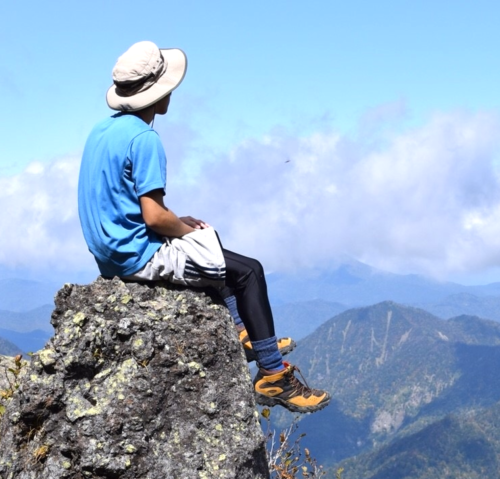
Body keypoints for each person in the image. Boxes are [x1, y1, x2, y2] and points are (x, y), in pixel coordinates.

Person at [78, 41, 330, 414]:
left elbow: (122, 203)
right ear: (158, 92)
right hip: (136, 256)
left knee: (207, 242)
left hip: (110, 251)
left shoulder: (102, 132)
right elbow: (153, 216)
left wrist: (184, 226)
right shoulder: (144, 139)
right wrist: (180, 227)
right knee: (250, 272)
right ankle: (273, 375)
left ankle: (243, 330)